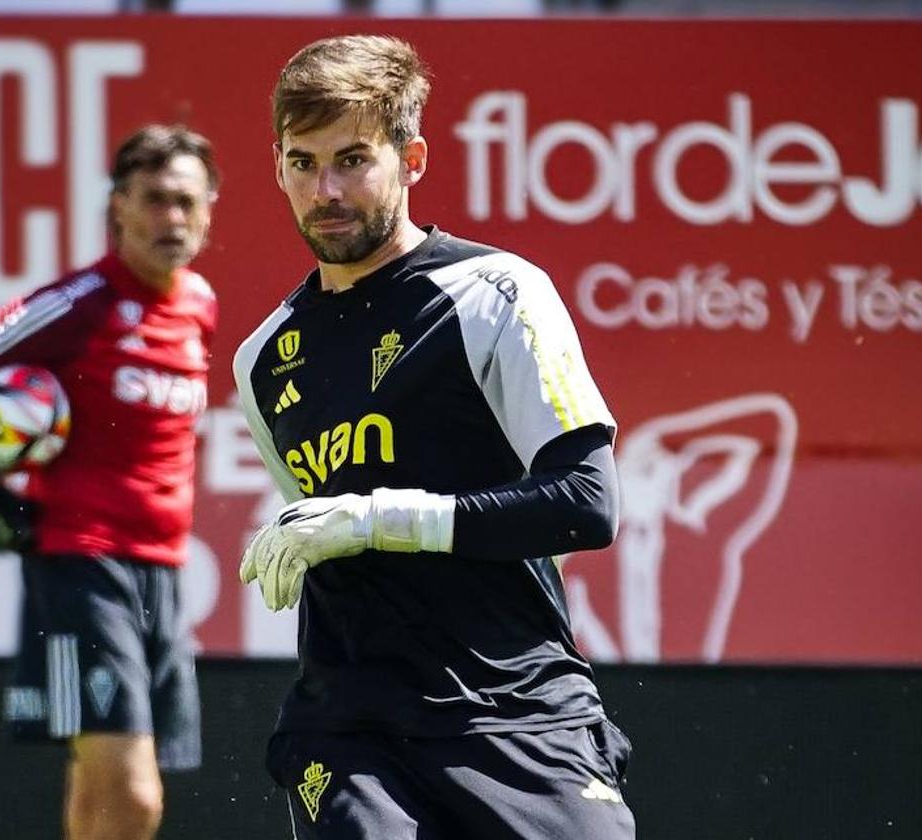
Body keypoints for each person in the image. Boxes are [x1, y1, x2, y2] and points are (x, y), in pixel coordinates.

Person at [234, 35, 635, 839]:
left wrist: (376, 518)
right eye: (304, 163)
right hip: (350, 727)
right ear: (276, 169)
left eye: (353, 159)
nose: (327, 189)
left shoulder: (496, 294)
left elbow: (585, 505)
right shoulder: (263, 359)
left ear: (412, 158)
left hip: (516, 707)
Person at [0, 124, 219, 840]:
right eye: (155, 200)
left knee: (95, 789)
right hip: (81, 565)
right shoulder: (82, 301)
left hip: (162, 571)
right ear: (119, 208)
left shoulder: (199, 305)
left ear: (210, 210)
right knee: (134, 798)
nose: (173, 218)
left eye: (187, 202)